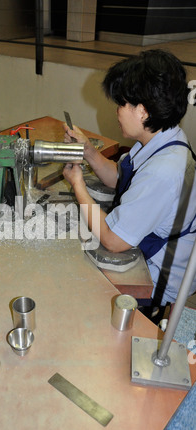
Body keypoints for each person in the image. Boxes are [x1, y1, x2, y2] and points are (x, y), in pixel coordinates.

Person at [63, 49, 196, 320]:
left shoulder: (164, 170)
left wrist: (78, 186)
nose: (116, 111)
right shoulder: (165, 138)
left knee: (70, 276)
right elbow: (120, 178)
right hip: (145, 244)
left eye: (121, 104)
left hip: (158, 276)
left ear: (143, 112)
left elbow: (113, 240)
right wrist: (88, 152)